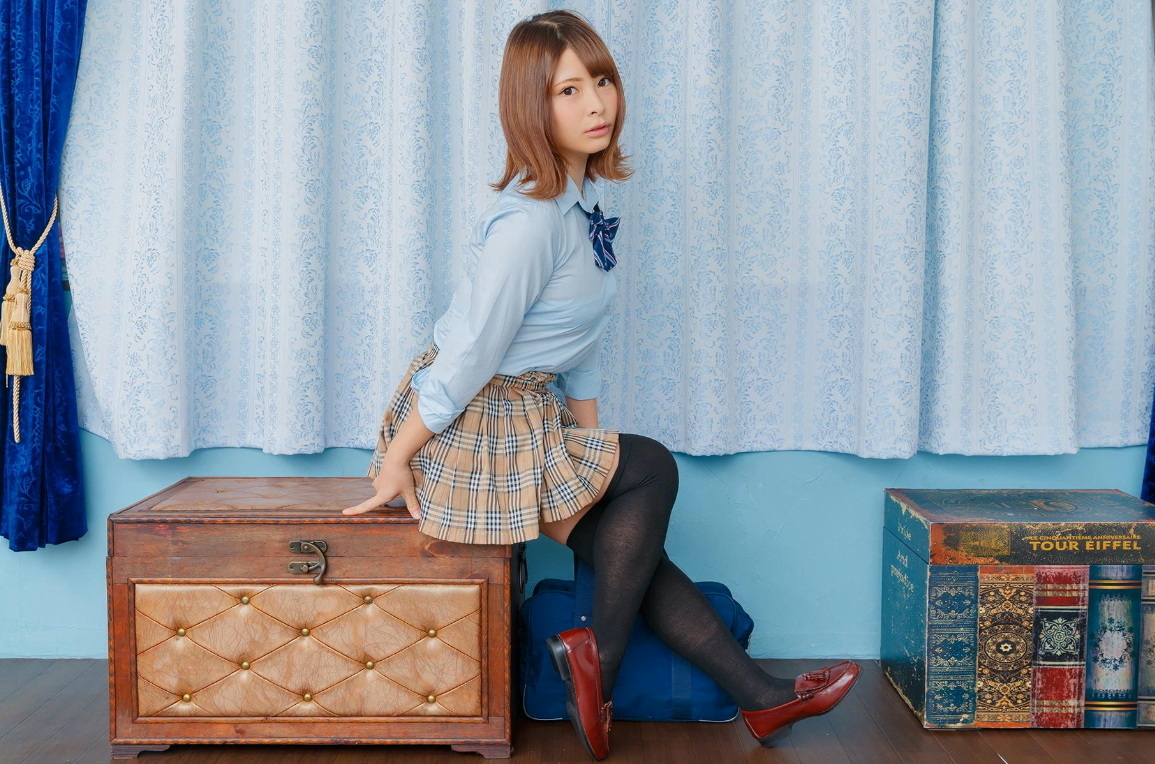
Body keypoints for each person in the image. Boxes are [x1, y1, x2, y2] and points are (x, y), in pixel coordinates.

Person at [342, 10, 859, 760]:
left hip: (525, 414)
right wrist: (397, 458)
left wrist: (588, 448)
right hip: (469, 421)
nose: (597, 104)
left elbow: (576, 344)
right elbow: (469, 355)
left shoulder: (585, 207)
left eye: (604, 81)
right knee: (651, 469)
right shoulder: (530, 224)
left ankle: (758, 700)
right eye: (569, 91)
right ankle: (604, 664)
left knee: (629, 550)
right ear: (532, 106)